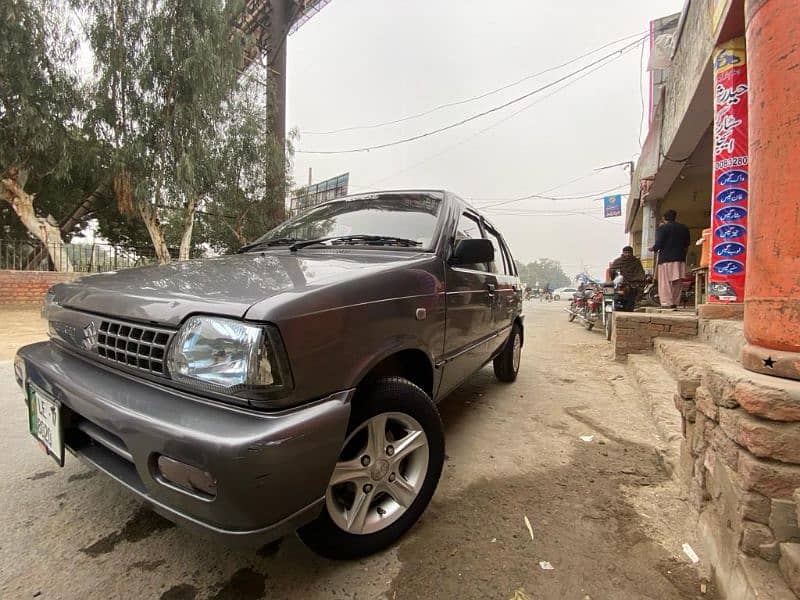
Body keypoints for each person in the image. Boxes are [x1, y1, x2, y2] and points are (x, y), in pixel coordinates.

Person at [649, 209, 691, 309]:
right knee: (677, 282)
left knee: (665, 282)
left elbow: (659, 243)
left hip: (666, 259)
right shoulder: (684, 228)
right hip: (680, 258)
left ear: (664, 218)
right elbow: (687, 243)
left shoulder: (663, 228)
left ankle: (667, 303)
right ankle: (675, 302)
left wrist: (653, 248)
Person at [609, 246, 645, 311]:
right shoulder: (617, 261)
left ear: (632, 253)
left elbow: (640, 273)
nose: (627, 254)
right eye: (626, 252)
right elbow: (612, 271)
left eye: (629, 252)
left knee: (630, 302)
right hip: (620, 284)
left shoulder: (636, 262)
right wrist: (616, 273)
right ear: (623, 253)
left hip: (632, 284)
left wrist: (636, 280)